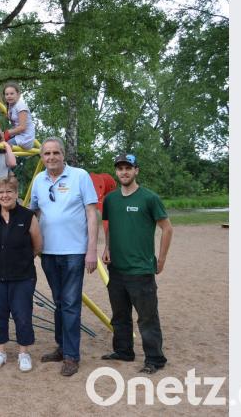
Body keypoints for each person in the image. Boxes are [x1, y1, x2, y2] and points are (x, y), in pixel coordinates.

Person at [29, 137, 99, 377]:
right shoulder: (39, 180)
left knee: (70, 304)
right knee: (59, 302)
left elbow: (91, 213)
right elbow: (33, 212)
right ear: (42, 157)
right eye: (46, 154)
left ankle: (71, 356)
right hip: (48, 252)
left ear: (63, 154)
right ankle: (61, 347)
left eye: (55, 153)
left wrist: (91, 250)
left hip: (74, 251)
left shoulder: (80, 176)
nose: (51, 157)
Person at [101, 154, 173, 374]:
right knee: (120, 315)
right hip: (117, 269)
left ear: (136, 171)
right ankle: (124, 351)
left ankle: (154, 358)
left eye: (128, 168)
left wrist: (160, 259)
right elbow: (110, 226)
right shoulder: (111, 200)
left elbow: (167, 228)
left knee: (147, 317)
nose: (124, 172)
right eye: (120, 168)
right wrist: (107, 248)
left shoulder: (149, 198)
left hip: (141, 269)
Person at [0, 176, 43, 372]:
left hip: (23, 276)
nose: (5, 195)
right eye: (1, 192)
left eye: (9, 191)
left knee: (22, 314)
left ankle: (23, 353)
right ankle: (0, 351)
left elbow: (38, 245)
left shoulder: (28, 216)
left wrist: (20, 258)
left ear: (17, 194)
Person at [1, 82, 36, 149]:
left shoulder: (20, 106)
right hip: (17, 134)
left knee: (4, 145)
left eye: (12, 94)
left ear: (18, 94)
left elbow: (22, 127)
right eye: (7, 94)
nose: (9, 96)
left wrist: (7, 133)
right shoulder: (11, 106)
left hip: (25, 137)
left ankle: (10, 158)